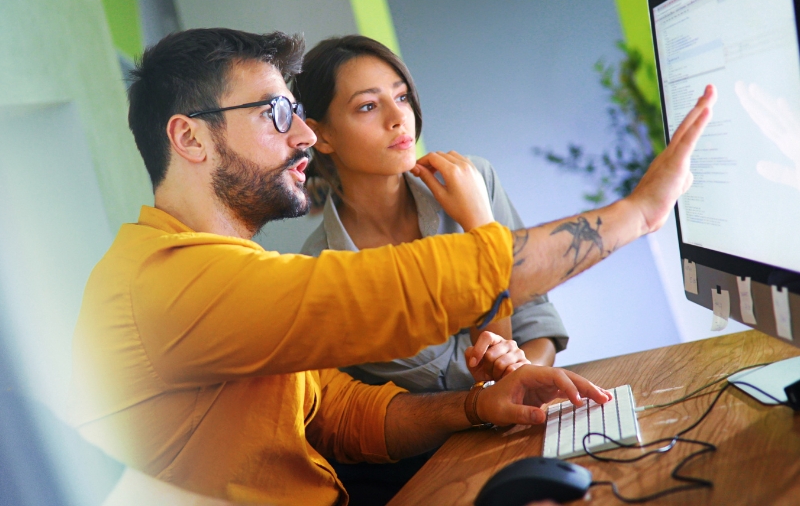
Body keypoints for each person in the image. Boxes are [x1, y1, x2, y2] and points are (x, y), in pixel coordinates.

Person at [67, 27, 715, 506]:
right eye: (274, 114)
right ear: (190, 138)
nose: (301, 137)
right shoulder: (162, 283)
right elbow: (393, 291)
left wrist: (478, 404)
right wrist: (638, 212)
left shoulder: (230, 271)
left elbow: (343, 413)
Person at [295, 35, 567, 393]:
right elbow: (474, 375)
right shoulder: (324, 273)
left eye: (402, 96)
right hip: (445, 447)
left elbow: (535, 324)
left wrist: (523, 375)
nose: (398, 118)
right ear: (321, 135)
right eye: (368, 106)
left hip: (527, 413)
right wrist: (481, 228)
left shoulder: (475, 179)